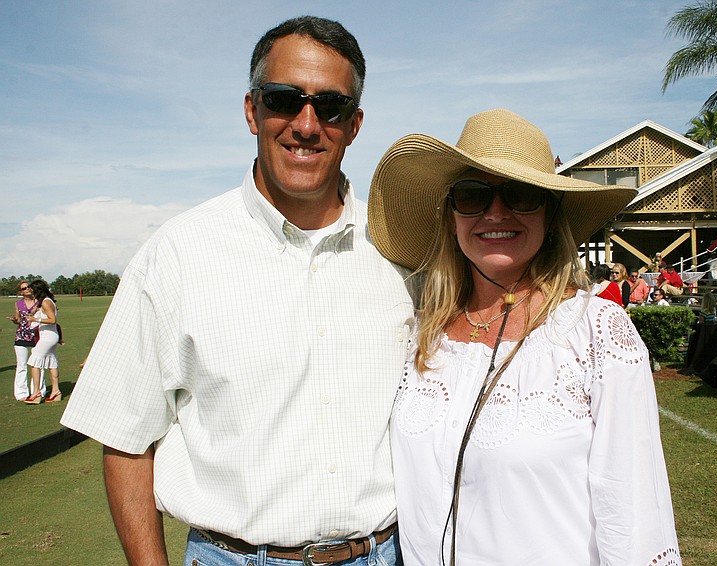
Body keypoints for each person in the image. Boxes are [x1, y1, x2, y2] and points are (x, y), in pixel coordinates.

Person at [61, 16, 414, 565]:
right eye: (283, 99)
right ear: (252, 110)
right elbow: (126, 440)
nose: (306, 123)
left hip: (384, 553)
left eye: (330, 106)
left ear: (355, 123)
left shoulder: (399, 253)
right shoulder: (177, 253)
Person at [368, 108, 680, 565]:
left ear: (551, 214)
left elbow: (634, 521)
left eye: (520, 195)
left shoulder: (594, 332)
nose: (496, 212)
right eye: (473, 196)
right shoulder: (423, 337)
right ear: (452, 216)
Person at [23, 279, 61, 404]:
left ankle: (36, 393)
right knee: (51, 362)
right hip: (50, 336)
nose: (31, 293)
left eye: (32, 291)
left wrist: (36, 319)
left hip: (48, 337)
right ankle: (56, 392)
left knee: (35, 362)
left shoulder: (46, 302)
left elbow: (52, 320)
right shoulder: (44, 301)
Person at [6, 280, 45, 401]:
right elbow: (19, 319)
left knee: (38, 364)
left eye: (28, 287)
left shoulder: (39, 302)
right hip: (21, 335)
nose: (27, 289)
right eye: (24, 288)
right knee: (21, 365)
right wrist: (14, 319)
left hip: (37, 335)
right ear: (20, 292)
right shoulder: (18, 303)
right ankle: (21, 393)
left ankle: (38, 391)